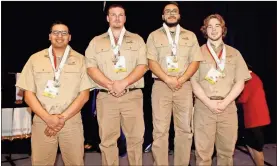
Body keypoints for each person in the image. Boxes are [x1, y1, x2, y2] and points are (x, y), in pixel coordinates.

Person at [16, 21, 92, 165]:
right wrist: (48, 118)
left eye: (64, 33)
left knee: (75, 163)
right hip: (42, 121)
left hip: (71, 122)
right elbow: (28, 94)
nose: (59, 36)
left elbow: (84, 95)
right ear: (49, 36)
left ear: (69, 37)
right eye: (56, 32)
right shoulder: (35, 59)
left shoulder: (81, 60)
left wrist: (61, 118)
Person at [85, 4, 147, 166]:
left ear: (125, 18)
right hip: (106, 96)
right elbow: (90, 67)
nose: (117, 18)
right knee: (107, 140)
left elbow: (143, 65)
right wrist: (110, 84)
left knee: (135, 139)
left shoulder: (137, 39)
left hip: (132, 95)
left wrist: (123, 83)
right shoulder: (96, 42)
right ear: (107, 18)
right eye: (113, 15)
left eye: (121, 15)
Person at [146, 2, 203, 165]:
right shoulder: (153, 36)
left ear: (179, 15)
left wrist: (182, 79)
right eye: (167, 11)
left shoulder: (190, 36)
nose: (171, 14)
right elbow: (151, 61)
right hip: (161, 86)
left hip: (184, 87)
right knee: (160, 131)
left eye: (174, 11)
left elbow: (195, 61)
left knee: (185, 130)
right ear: (163, 16)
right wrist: (167, 79)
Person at [191, 14, 252, 166]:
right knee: (203, 155)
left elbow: (240, 83)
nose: (213, 30)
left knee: (226, 154)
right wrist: (208, 102)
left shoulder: (234, 53)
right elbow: (193, 82)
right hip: (204, 108)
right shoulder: (196, 53)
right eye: (209, 27)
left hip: (228, 108)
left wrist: (225, 102)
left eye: (217, 26)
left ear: (223, 29)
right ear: (204, 30)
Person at [237, 69, 271, 166]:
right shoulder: (255, 77)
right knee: (251, 144)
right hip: (260, 117)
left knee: (256, 148)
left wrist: (230, 99)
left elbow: (243, 98)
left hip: (254, 118)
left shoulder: (249, 79)